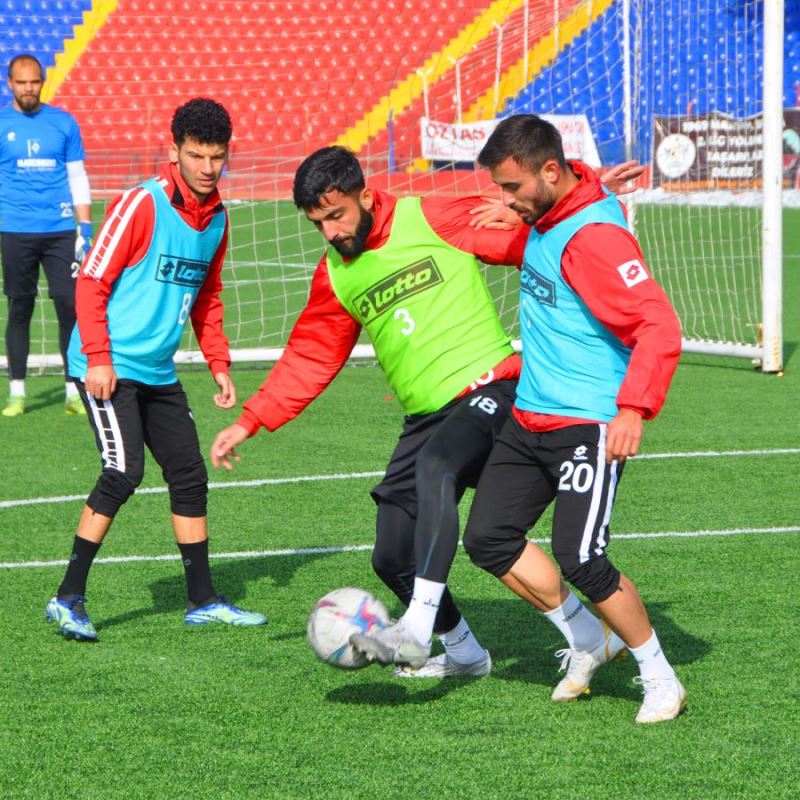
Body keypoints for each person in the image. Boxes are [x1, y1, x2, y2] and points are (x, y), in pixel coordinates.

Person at [210, 146, 639, 679]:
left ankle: (415, 627)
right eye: (318, 224)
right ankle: (467, 652)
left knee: (439, 465)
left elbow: (530, 235)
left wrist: (580, 193)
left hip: (493, 390)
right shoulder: (336, 274)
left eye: (337, 215)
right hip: (425, 419)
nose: (331, 233)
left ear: (366, 197)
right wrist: (249, 420)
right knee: (392, 556)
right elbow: (311, 355)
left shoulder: (433, 217)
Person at [458, 114, 685, 723]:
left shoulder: (596, 239)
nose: (505, 200)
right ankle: (588, 637)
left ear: (551, 172)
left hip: (588, 422)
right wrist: (516, 209)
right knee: (487, 538)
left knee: (582, 558)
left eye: (512, 187)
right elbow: (545, 212)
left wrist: (633, 407)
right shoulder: (547, 214)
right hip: (530, 416)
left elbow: (658, 324)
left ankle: (659, 677)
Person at [44, 98, 266, 641]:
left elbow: (207, 296)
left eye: (217, 156)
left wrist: (218, 362)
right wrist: (99, 358)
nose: (208, 168)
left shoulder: (218, 218)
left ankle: (202, 600)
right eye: (197, 155)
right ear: (174, 151)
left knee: (189, 474)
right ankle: (67, 598)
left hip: (158, 371)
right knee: (123, 472)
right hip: (108, 364)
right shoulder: (142, 204)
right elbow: (91, 281)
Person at [0, 54, 93, 417]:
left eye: (34, 81)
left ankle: (73, 391)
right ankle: (17, 392)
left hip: (60, 231)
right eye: (22, 82)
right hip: (15, 230)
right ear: (10, 84)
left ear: (42, 81)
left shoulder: (63, 123)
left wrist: (85, 228)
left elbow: (77, 177)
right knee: (20, 307)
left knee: (70, 307)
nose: (28, 88)